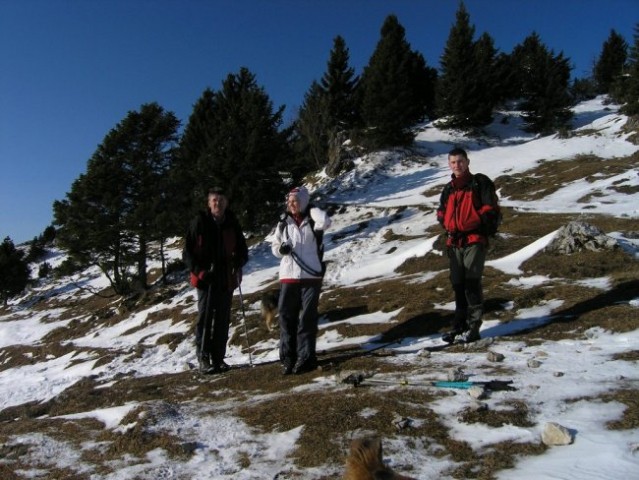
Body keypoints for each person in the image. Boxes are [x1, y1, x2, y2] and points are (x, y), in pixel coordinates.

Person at [436, 148, 500, 344]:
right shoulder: (449, 189)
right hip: (454, 242)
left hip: (474, 240)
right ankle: (459, 326)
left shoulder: (479, 182)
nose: (457, 165)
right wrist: (448, 225)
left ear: (468, 162)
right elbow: (441, 212)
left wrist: (476, 224)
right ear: (449, 164)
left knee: (471, 283)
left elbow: (490, 208)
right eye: (453, 162)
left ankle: (473, 327)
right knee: (458, 285)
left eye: (460, 161)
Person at [183, 187, 249, 373]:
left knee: (222, 319)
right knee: (205, 318)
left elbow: (243, 249)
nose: (217, 203)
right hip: (205, 278)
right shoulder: (200, 222)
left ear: (226, 203)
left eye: (221, 200)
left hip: (226, 277)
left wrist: (239, 261)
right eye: (214, 200)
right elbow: (187, 253)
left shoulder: (232, 222)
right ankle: (203, 358)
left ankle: (218, 358)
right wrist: (200, 272)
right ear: (209, 203)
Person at [272, 186, 331, 375]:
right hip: (288, 277)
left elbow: (326, 221)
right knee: (286, 318)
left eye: (295, 201)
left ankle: (306, 358)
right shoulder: (283, 222)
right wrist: (281, 250)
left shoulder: (314, 220)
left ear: (304, 202)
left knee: (307, 318)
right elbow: (274, 246)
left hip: (310, 277)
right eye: (289, 201)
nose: (291, 205)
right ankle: (288, 358)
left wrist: (311, 207)